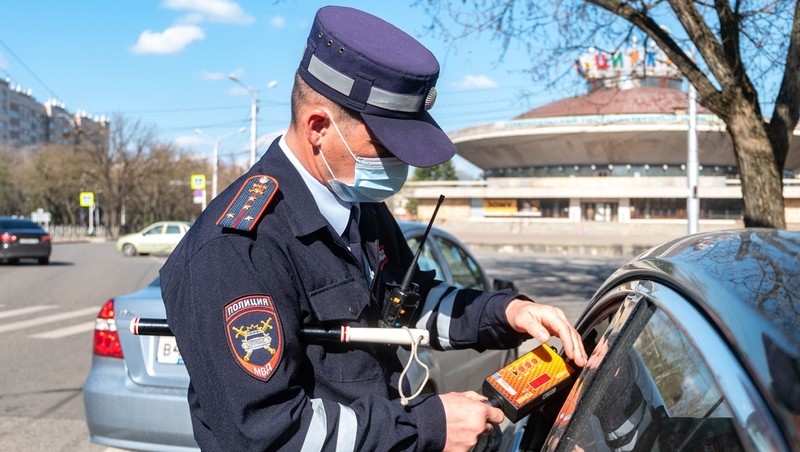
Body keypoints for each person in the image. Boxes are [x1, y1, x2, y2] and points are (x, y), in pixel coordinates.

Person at [160, 6, 587, 452]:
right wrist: (428, 427)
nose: (398, 165)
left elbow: (407, 303)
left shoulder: (358, 204)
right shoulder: (236, 248)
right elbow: (269, 434)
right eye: (385, 148)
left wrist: (505, 313)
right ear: (318, 128)